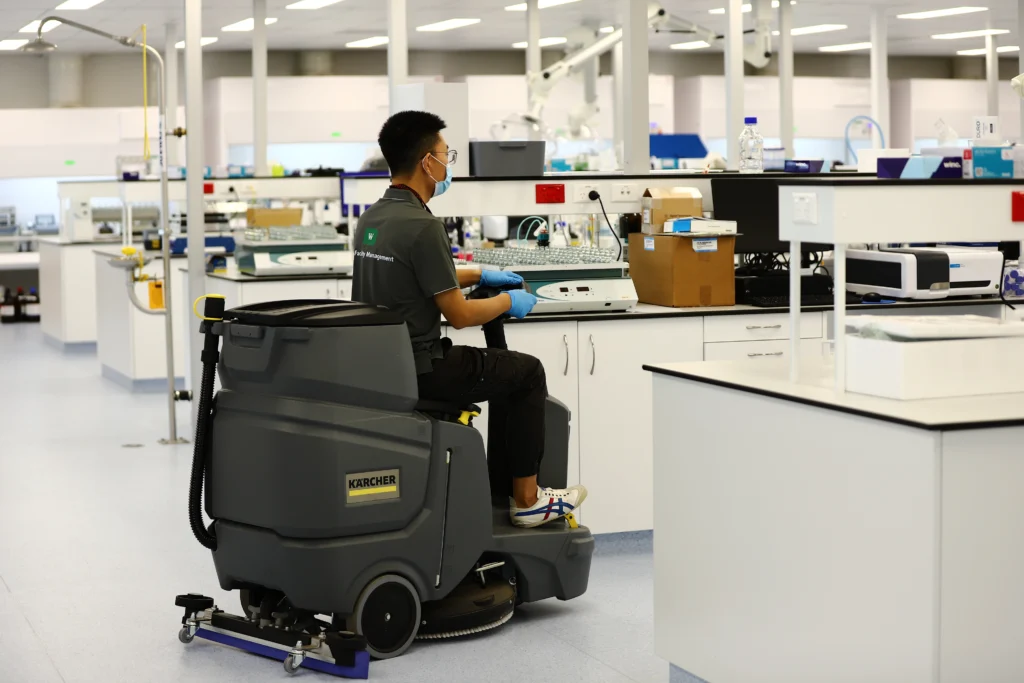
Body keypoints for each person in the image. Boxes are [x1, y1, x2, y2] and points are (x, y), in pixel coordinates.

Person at [352, 110, 587, 528]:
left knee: (507, 375)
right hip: (424, 368)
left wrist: (480, 273)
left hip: (382, 366)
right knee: (528, 373)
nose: (448, 165)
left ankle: (507, 489)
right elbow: (459, 315)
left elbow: (417, 273)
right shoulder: (423, 225)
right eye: (446, 154)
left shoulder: (375, 218)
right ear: (427, 161)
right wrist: (507, 302)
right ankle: (528, 500)